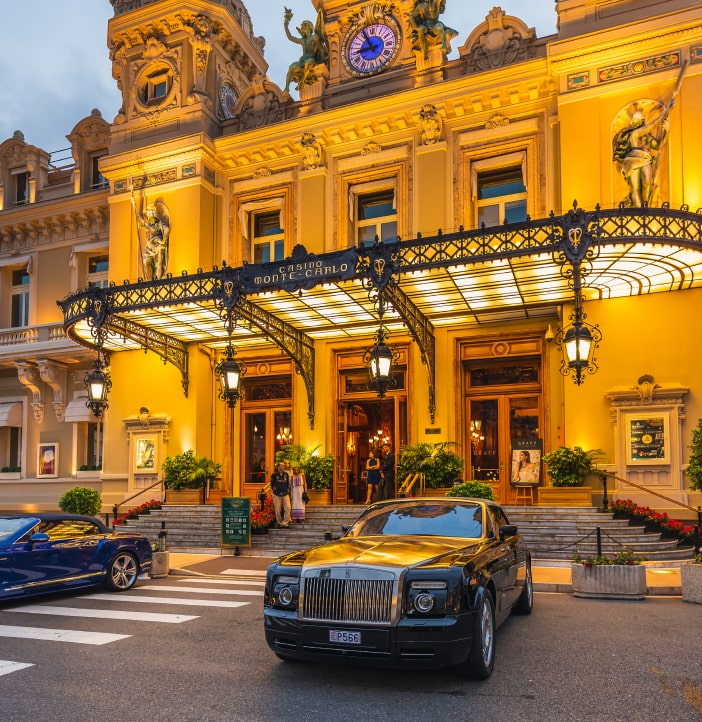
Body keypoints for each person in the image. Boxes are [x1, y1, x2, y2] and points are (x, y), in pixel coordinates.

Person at [283, 7, 328, 93]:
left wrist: (321, 60)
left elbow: (320, 48)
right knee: (292, 67)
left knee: (308, 63)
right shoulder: (302, 40)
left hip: (312, 59)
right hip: (303, 60)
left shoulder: (314, 37)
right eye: (303, 26)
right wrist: (286, 25)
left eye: (305, 26)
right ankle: (287, 87)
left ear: (310, 28)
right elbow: (290, 37)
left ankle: (302, 82)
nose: (303, 27)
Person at [131, 194, 170, 280]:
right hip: (149, 247)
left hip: (158, 244)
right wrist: (134, 204)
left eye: (150, 216)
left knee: (158, 264)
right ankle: (150, 282)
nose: (149, 217)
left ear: (154, 216)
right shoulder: (148, 225)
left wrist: (163, 240)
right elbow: (138, 218)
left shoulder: (159, 224)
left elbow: (166, 228)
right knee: (146, 262)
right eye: (148, 216)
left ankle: (157, 282)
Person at [270, 462, 291, 528]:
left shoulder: (286, 474)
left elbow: (287, 483)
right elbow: (272, 484)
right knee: (278, 509)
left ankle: (285, 523)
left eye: (284, 466)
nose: (283, 467)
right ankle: (279, 522)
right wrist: (275, 490)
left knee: (288, 507)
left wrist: (287, 491)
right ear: (278, 467)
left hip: (285, 493)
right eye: (282, 466)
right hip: (277, 494)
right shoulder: (274, 475)